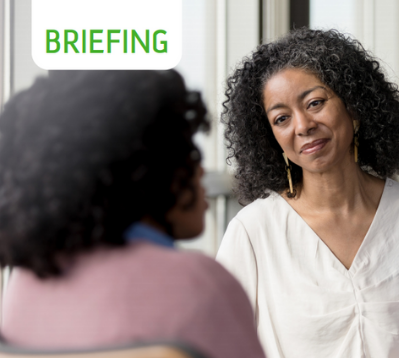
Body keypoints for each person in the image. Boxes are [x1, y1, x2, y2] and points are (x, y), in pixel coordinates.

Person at [216, 28, 399, 358]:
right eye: (282, 118)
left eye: (315, 103)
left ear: (354, 107)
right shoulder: (253, 232)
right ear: (270, 137)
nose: (302, 125)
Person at [0, 70, 265, 358]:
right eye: (188, 152)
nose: (200, 170)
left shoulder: (25, 284)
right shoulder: (198, 285)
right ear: (146, 172)